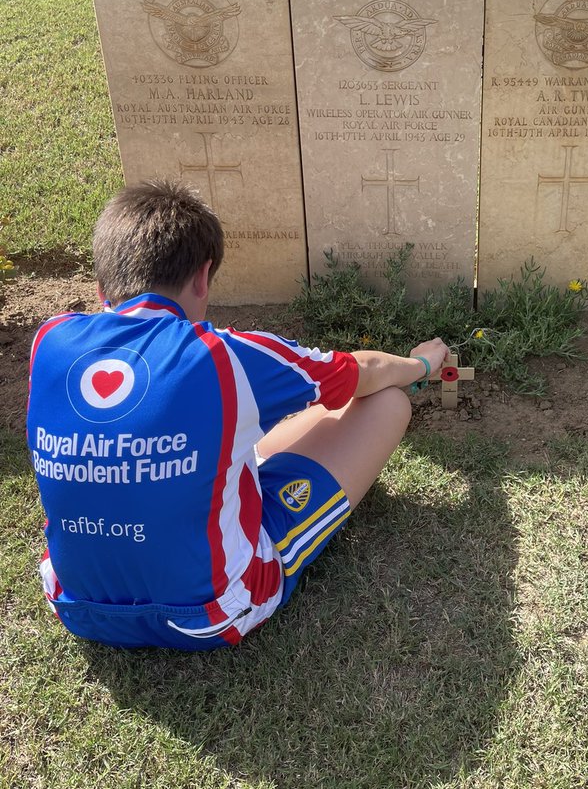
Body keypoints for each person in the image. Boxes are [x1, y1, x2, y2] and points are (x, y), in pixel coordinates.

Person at [26, 180, 449, 650]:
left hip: (75, 604)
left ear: (101, 283)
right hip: (210, 614)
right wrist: (422, 364)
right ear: (203, 276)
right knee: (387, 403)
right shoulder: (225, 355)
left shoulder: (49, 341)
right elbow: (362, 371)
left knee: (227, 445)